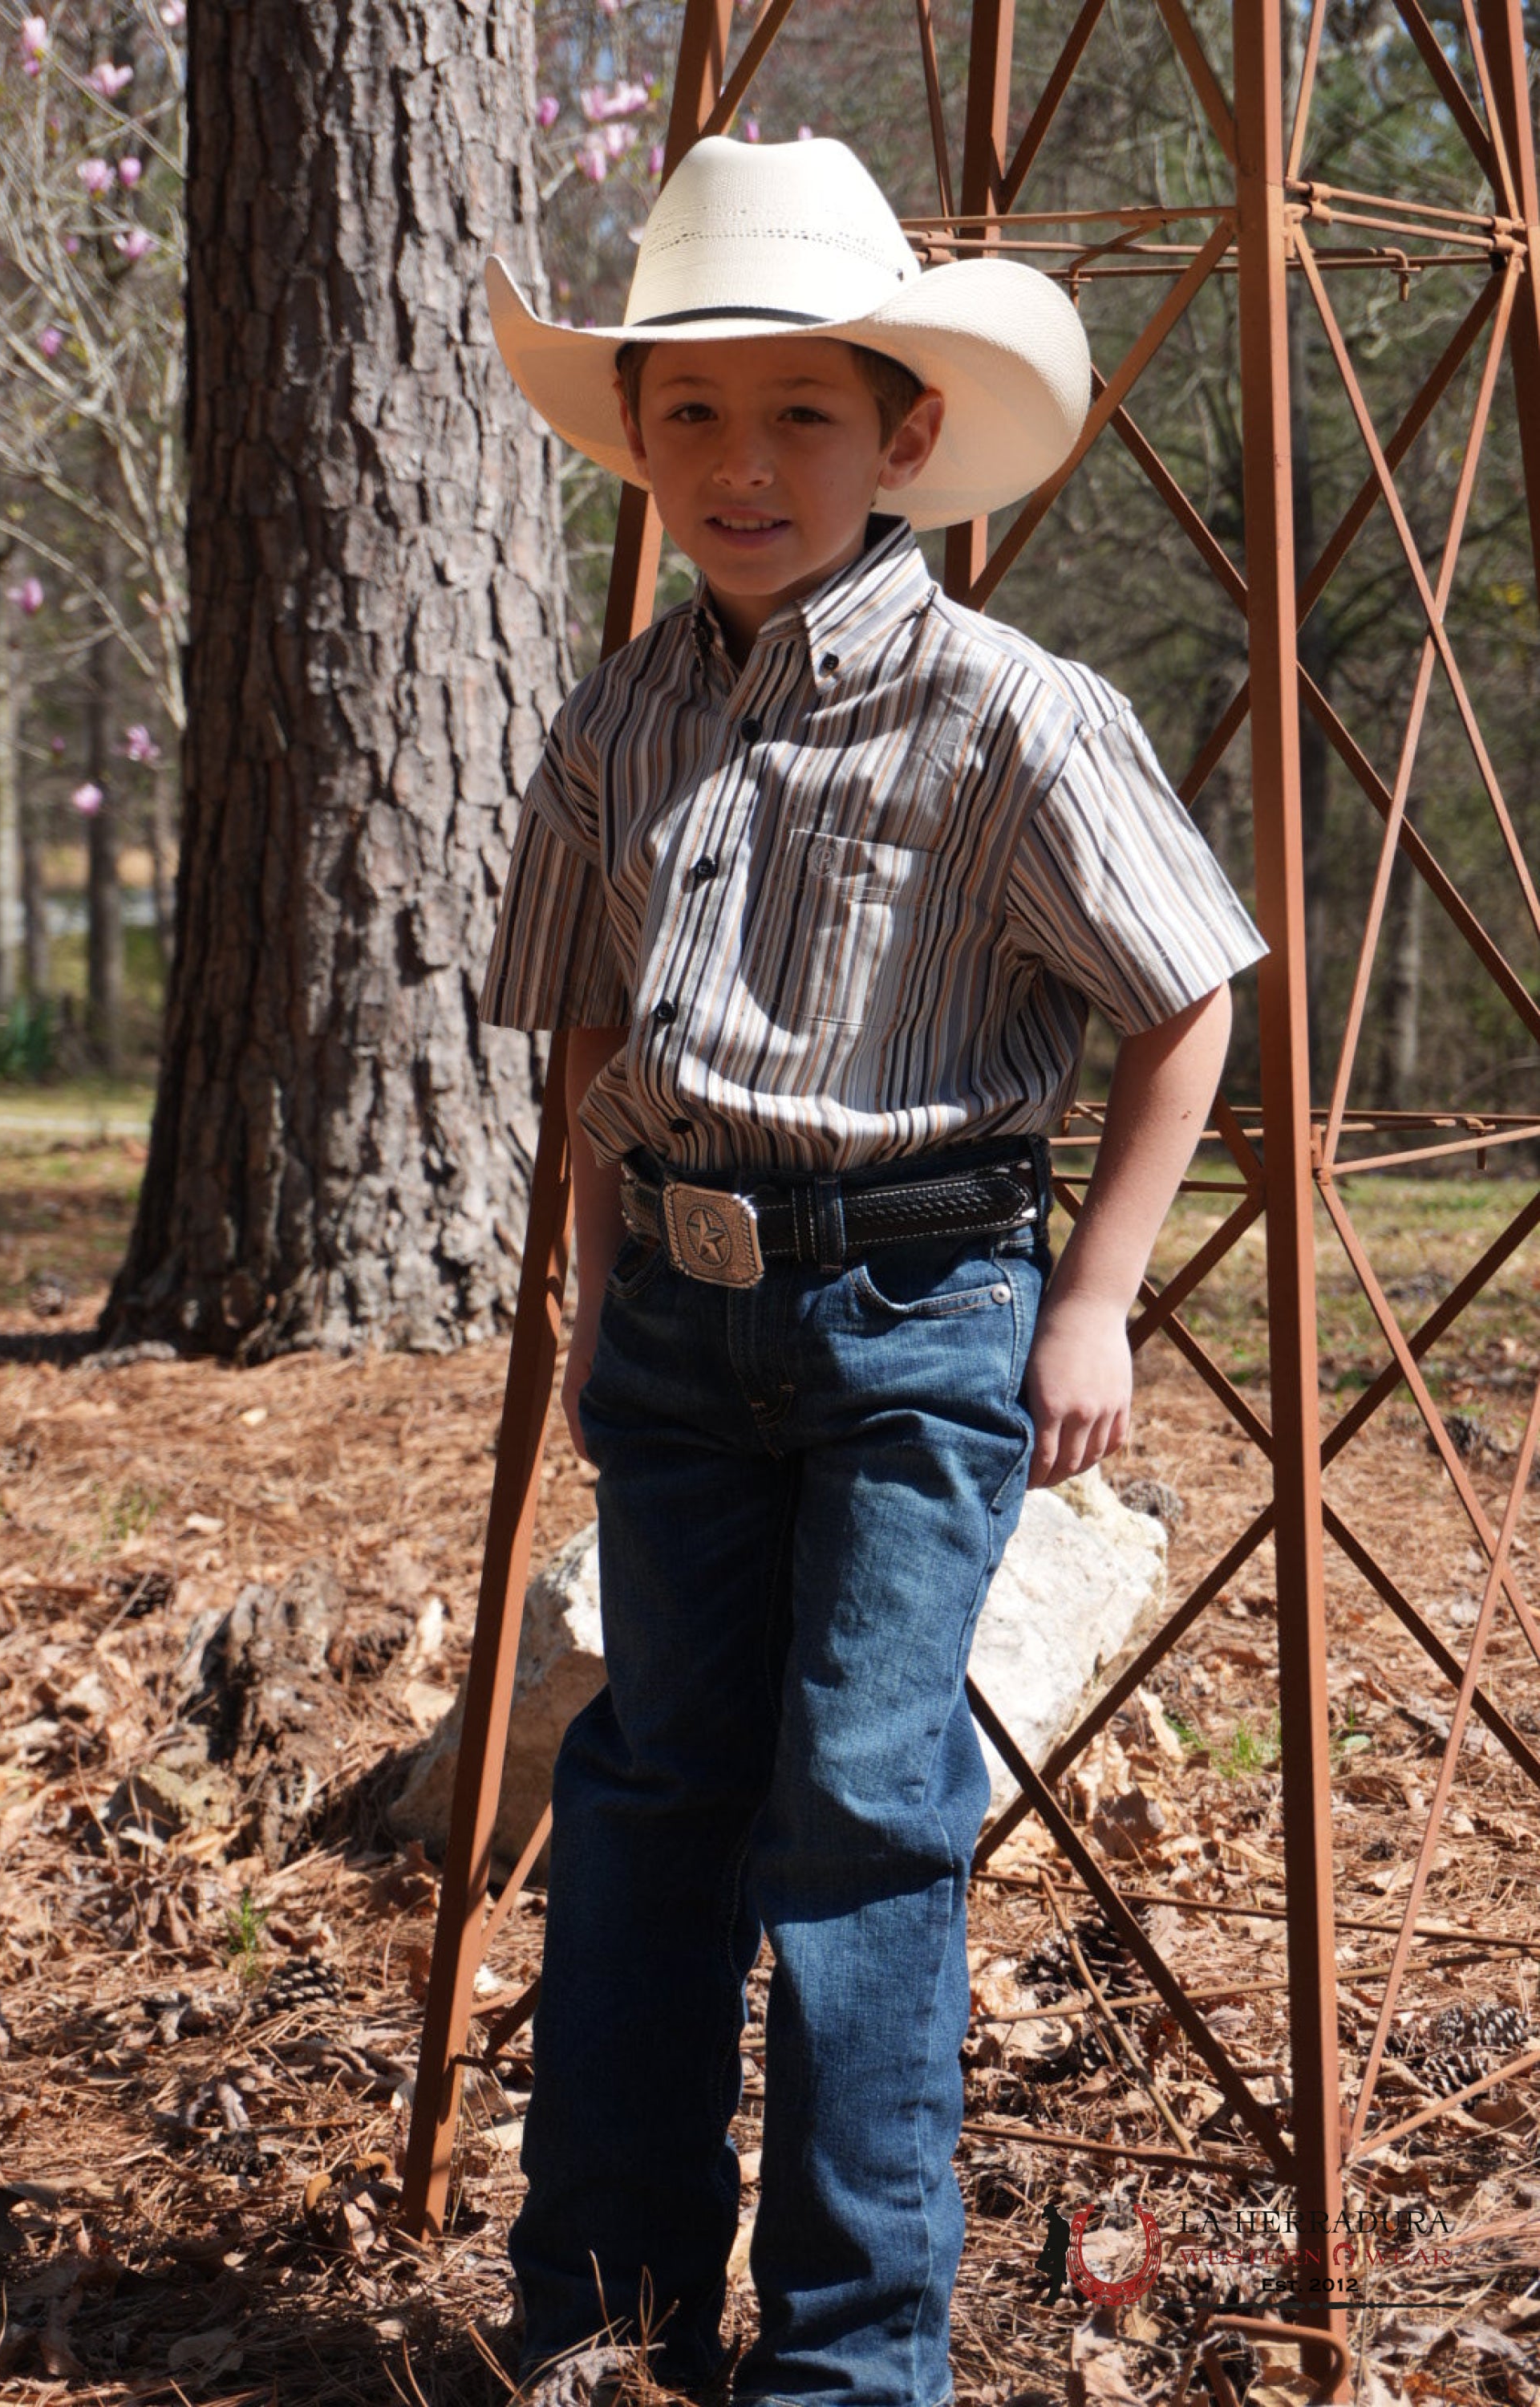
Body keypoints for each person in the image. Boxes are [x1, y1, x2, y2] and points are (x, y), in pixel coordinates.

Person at [480, 134, 1266, 2407]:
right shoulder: (623, 716)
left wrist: (1094, 1296)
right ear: (639, 444)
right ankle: (606, 2322)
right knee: (647, 1790)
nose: (743, 469)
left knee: (856, 1809)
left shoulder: (1010, 713)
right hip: (682, 1328)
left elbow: (1187, 991)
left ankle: (847, 2364)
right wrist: (606, 1277)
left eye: (799, 415)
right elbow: (596, 1030)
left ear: (903, 435)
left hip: (918, 1321)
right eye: (693, 418)